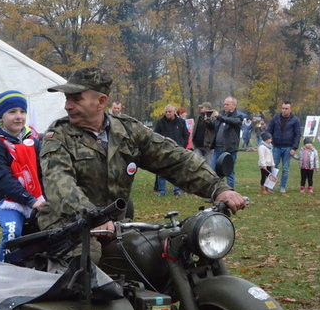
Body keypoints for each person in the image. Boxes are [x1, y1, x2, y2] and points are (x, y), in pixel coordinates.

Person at [37, 67, 246, 262]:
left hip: (116, 226)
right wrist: (92, 217)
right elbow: (60, 184)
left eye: (76, 99)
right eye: (67, 99)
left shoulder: (128, 130)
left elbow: (174, 158)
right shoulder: (58, 136)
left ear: (101, 102)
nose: (67, 106)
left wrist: (218, 188)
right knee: (87, 259)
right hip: (67, 224)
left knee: (162, 254)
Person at [0, 90, 44, 261]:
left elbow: (43, 172)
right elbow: (4, 180)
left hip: (37, 199)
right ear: (1, 117)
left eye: (22, 111)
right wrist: (30, 200)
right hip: (9, 202)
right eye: (12, 112)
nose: (19, 116)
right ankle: (1, 273)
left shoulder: (33, 141)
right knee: (12, 233)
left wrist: (46, 198)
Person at [153, 105, 189, 197]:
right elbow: (155, 135)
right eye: (166, 112)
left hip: (177, 150)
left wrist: (182, 146)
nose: (168, 113)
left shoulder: (181, 122)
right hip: (164, 151)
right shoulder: (160, 122)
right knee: (162, 172)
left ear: (174, 112)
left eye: (170, 112)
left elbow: (186, 135)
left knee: (177, 171)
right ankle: (162, 191)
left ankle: (177, 191)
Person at [267, 101, 302, 193]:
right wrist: (269, 140)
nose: (284, 110)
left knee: (285, 169)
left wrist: (294, 148)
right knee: (273, 167)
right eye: (283, 108)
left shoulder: (295, 120)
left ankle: (283, 187)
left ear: (290, 109)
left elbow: (297, 135)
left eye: (286, 108)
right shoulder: (275, 118)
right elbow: (269, 130)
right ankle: (271, 186)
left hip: (288, 148)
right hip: (276, 147)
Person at [210, 96, 243, 188]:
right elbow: (214, 127)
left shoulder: (238, 117)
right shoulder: (222, 115)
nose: (225, 106)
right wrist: (208, 121)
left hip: (229, 149)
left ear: (234, 106)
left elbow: (233, 121)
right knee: (213, 171)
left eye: (227, 104)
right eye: (224, 104)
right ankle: (215, 192)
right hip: (217, 148)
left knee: (229, 172)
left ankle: (230, 192)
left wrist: (219, 117)